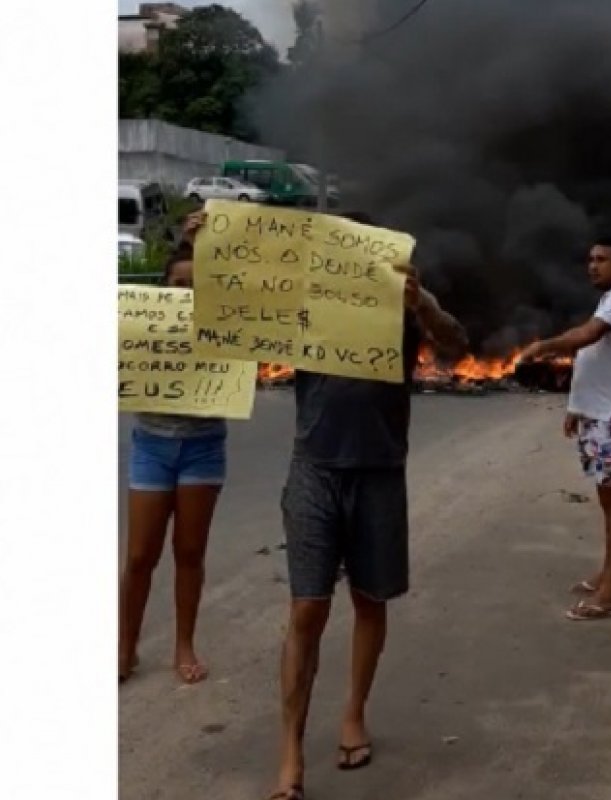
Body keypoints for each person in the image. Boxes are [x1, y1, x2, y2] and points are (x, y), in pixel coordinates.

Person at [267, 211, 469, 800]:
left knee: (369, 599)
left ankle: (354, 712)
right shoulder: (307, 301)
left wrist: (421, 303)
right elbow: (240, 307)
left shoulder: (405, 304)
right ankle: (290, 755)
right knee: (307, 609)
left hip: (379, 472)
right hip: (314, 469)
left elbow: (456, 346)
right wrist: (212, 246)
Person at [519, 236, 611, 621]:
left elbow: (587, 337)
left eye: (602, 259)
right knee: (607, 499)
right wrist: (577, 407)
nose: (592, 265)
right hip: (600, 415)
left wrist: (542, 347)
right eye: (590, 259)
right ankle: (607, 574)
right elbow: (595, 356)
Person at [119, 212, 224, 685]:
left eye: (195, 284)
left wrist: (202, 244)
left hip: (203, 447)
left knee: (189, 552)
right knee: (140, 555)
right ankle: (125, 646)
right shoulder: (140, 325)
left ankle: (185, 644)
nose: (186, 291)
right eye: (178, 283)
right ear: (163, 288)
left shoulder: (223, 324)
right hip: (151, 445)